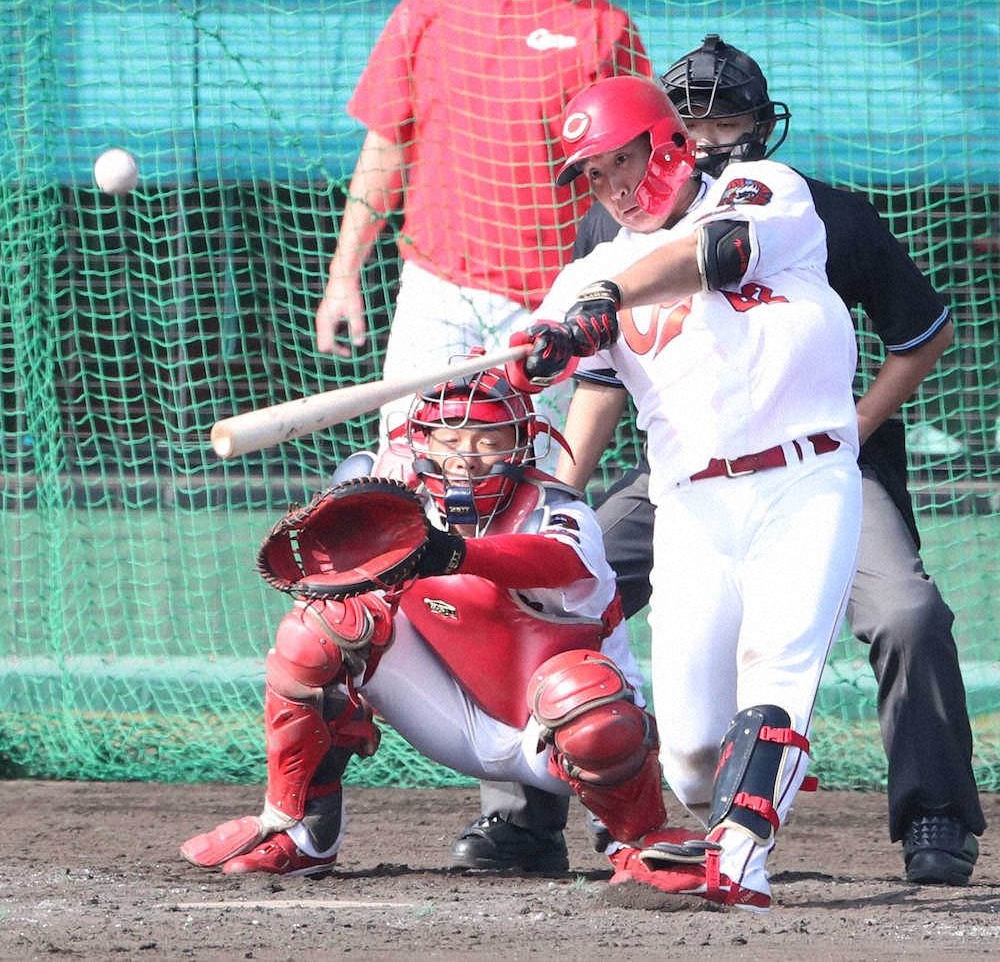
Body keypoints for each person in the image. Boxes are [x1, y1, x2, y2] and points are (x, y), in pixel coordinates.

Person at [458, 36, 986, 887]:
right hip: (688, 482)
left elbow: (716, 254)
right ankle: (543, 812)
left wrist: (852, 427)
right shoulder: (605, 240)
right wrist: (536, 384)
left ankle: (926, 814)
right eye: (596, 172)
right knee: (576, 616)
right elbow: (567, 364)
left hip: (819, 465)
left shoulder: (780, 194)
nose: (706, 137)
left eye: (723, 119)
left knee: (902, 614)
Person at [500, 72, 865, 911]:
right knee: (694, 749)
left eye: (622, 161)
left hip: (805, 479)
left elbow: (718, 254)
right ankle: (741, 796)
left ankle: (742, 855)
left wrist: (605, 301)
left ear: (667, 143)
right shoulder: (594, 268)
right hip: (693, 508)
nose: (612, 187)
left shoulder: (761, 190)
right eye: (593, 175)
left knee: (780, 661)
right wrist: (535, 354)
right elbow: (537, 366)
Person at [179, 361, 701, 878]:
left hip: (552, 738)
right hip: (448, 713)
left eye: (486, 439)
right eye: (449, 439)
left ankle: (638, 842)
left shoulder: (556, 511)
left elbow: (555, 561)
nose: (466, 458)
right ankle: (299, 833)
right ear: (419, 441)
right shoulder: (398, 496)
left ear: (522, 443)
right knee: (315, 630)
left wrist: (452, 554)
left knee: (582, 695)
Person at [314, 0, 649, 451]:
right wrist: (343, 275)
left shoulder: (604, 26)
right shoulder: (426, 10)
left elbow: (631, 168)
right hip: (438, 288)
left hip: (548, 305)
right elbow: (386, 150)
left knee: (524, 476)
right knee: (410, 463)